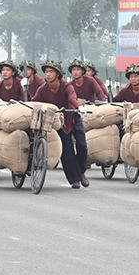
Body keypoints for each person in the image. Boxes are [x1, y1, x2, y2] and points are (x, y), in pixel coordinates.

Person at [33, 60, 89, 189]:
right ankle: (74, 179)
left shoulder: (66, 86)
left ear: (57, 74)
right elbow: (35, 101)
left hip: (72, 116)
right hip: (57, 121)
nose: (48, 74)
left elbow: (72, 98)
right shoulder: (43, 88)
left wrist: (79, 107)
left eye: (51, 72)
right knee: (66, 150)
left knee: (82, 145)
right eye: (46, 72)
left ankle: (81, 172)